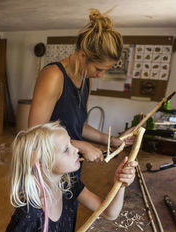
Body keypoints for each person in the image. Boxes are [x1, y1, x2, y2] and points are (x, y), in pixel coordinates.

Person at [0, 121, 137, 232]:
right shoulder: (30, 210)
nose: (75, 151)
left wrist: (121, 184)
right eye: (66, 149)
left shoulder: (68, 186)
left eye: (71, 145)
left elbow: (109, 213)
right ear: (42, 162)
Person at [28, 8, 134, 163]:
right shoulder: (53, 76)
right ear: (83, 55)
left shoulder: (86, 79)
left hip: (70, 163)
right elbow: (34, 134)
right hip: (48, 166)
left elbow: (79, 126)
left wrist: (112, 140)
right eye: (98, 69)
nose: (101, 75)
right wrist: (80, 145)